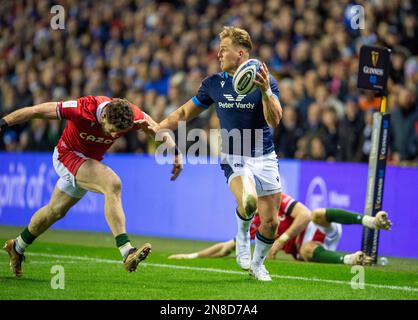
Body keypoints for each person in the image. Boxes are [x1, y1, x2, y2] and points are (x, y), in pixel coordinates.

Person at [144, 26, 283, 281]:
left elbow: (274, 120)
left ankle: (258, 264)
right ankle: (242, 236)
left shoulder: (264, 80)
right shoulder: (213, 84)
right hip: (233, 154)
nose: (218, 55)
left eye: (223, 50)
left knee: (271, 221)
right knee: (248, 201)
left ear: (240, 53)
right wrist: (158, 126)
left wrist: (266, 92)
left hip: (264, 155)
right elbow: (185, 113)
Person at [0, 95, 183, 277]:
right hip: (67, 155)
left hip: (88, 162)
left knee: (54, 211)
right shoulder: (81, 108)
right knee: (112, 184)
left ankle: (17, 246)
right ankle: (126, 250)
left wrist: (175, 153)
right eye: (112, 130)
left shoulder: (132, 115)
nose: (113, 136)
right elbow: (35, 111)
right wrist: (4, 122)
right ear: (103, 116)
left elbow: (158, 129)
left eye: (118, 132)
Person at [168, 193, 392, 266]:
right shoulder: (255, 225)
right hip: (309, 247)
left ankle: (370, 221)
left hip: (318, 230)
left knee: (316, 213)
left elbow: (304, 216)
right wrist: (191, 255)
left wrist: (281, 239)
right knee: (305, 251)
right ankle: (351, 259)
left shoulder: (278, 199)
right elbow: (225, 248)